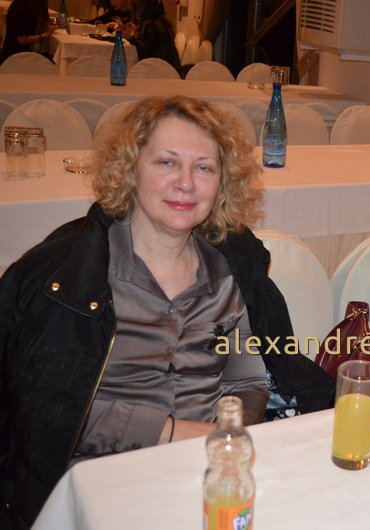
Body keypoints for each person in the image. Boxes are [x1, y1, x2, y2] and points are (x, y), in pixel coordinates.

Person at [0, 96, 334, 528]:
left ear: (222, 184)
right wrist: (174, 432)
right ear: (130, 169)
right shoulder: (70, 277)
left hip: (207, 468)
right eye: (166, 163)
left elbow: (247, 380)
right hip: (99, 480)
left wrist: (231, 432)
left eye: (204, 168)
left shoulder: (231, 273)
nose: (186, 183)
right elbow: (44, 408)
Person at [122, 0, 181, 72]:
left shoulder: (152, 27)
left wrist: (132, 38)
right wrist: (137, 31)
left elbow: (144, 53)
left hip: (161, 71)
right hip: (171, 69)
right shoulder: (162, 23)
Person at [0, 0, 56, 65]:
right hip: (16, 58)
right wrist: (45, 35)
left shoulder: (20, 3)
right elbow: (22, 39)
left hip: (11, 54)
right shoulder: (25, 8)